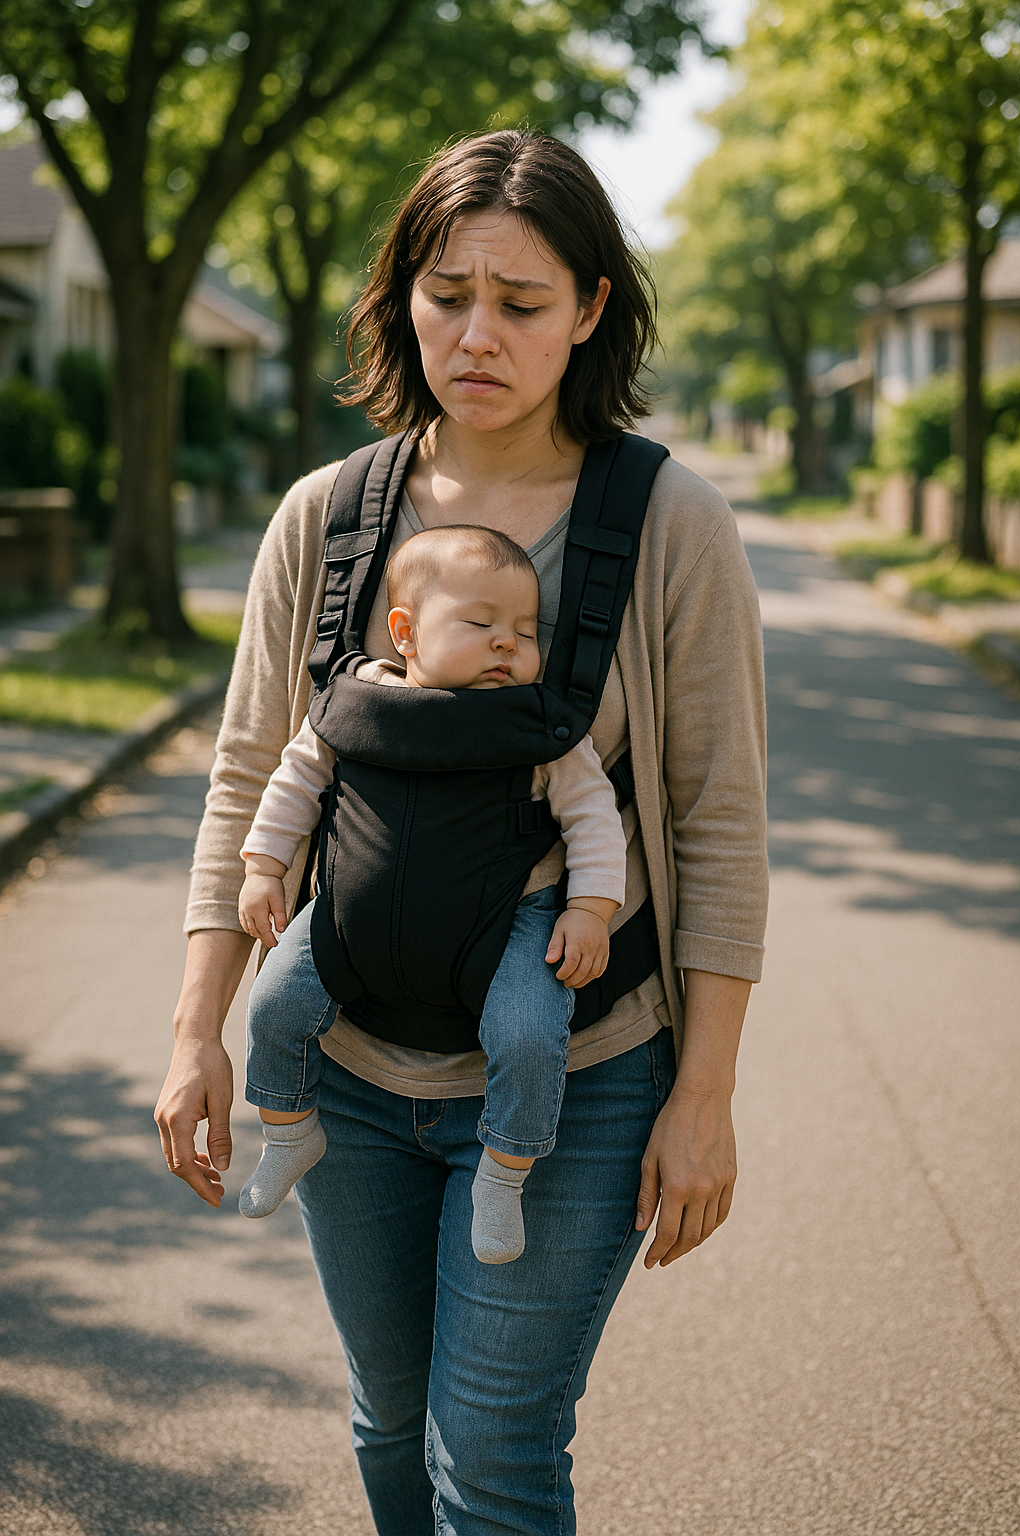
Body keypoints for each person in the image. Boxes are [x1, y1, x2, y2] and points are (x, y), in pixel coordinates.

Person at [155, 129, 768, 1536]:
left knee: (489, 1450)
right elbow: (250, 774)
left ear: (595, 308)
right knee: (390, 1418)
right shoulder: (327, 518)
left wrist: (707, 1094)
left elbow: (721, 826)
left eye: (523, 301)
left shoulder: (671, 523)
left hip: (582, 1071)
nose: (476, 333)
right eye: (446, 294)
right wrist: (200, 1024)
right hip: (352, 1078)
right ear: (401, 297)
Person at [235, 523, 627, 1268]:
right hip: (354, 916)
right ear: (405, 633)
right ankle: (288, 1129)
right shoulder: (356, 704)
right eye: (480, 624)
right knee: (275, 1002)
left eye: (523, 629)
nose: (508, 643)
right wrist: (261, 867)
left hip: (509, 921)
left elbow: (594, 818)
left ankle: (504, 1175)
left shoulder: (538, 726)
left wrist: (591, 909)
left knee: (528, 1031)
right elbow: (293, 783)